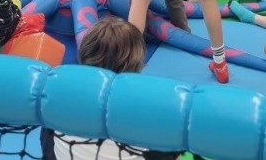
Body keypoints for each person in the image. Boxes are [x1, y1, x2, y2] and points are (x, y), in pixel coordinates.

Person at [40, 17, 179, 160]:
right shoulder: (149, 110)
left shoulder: (59, 97)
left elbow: (47, 145)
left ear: (84, 53)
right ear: (138, 62)